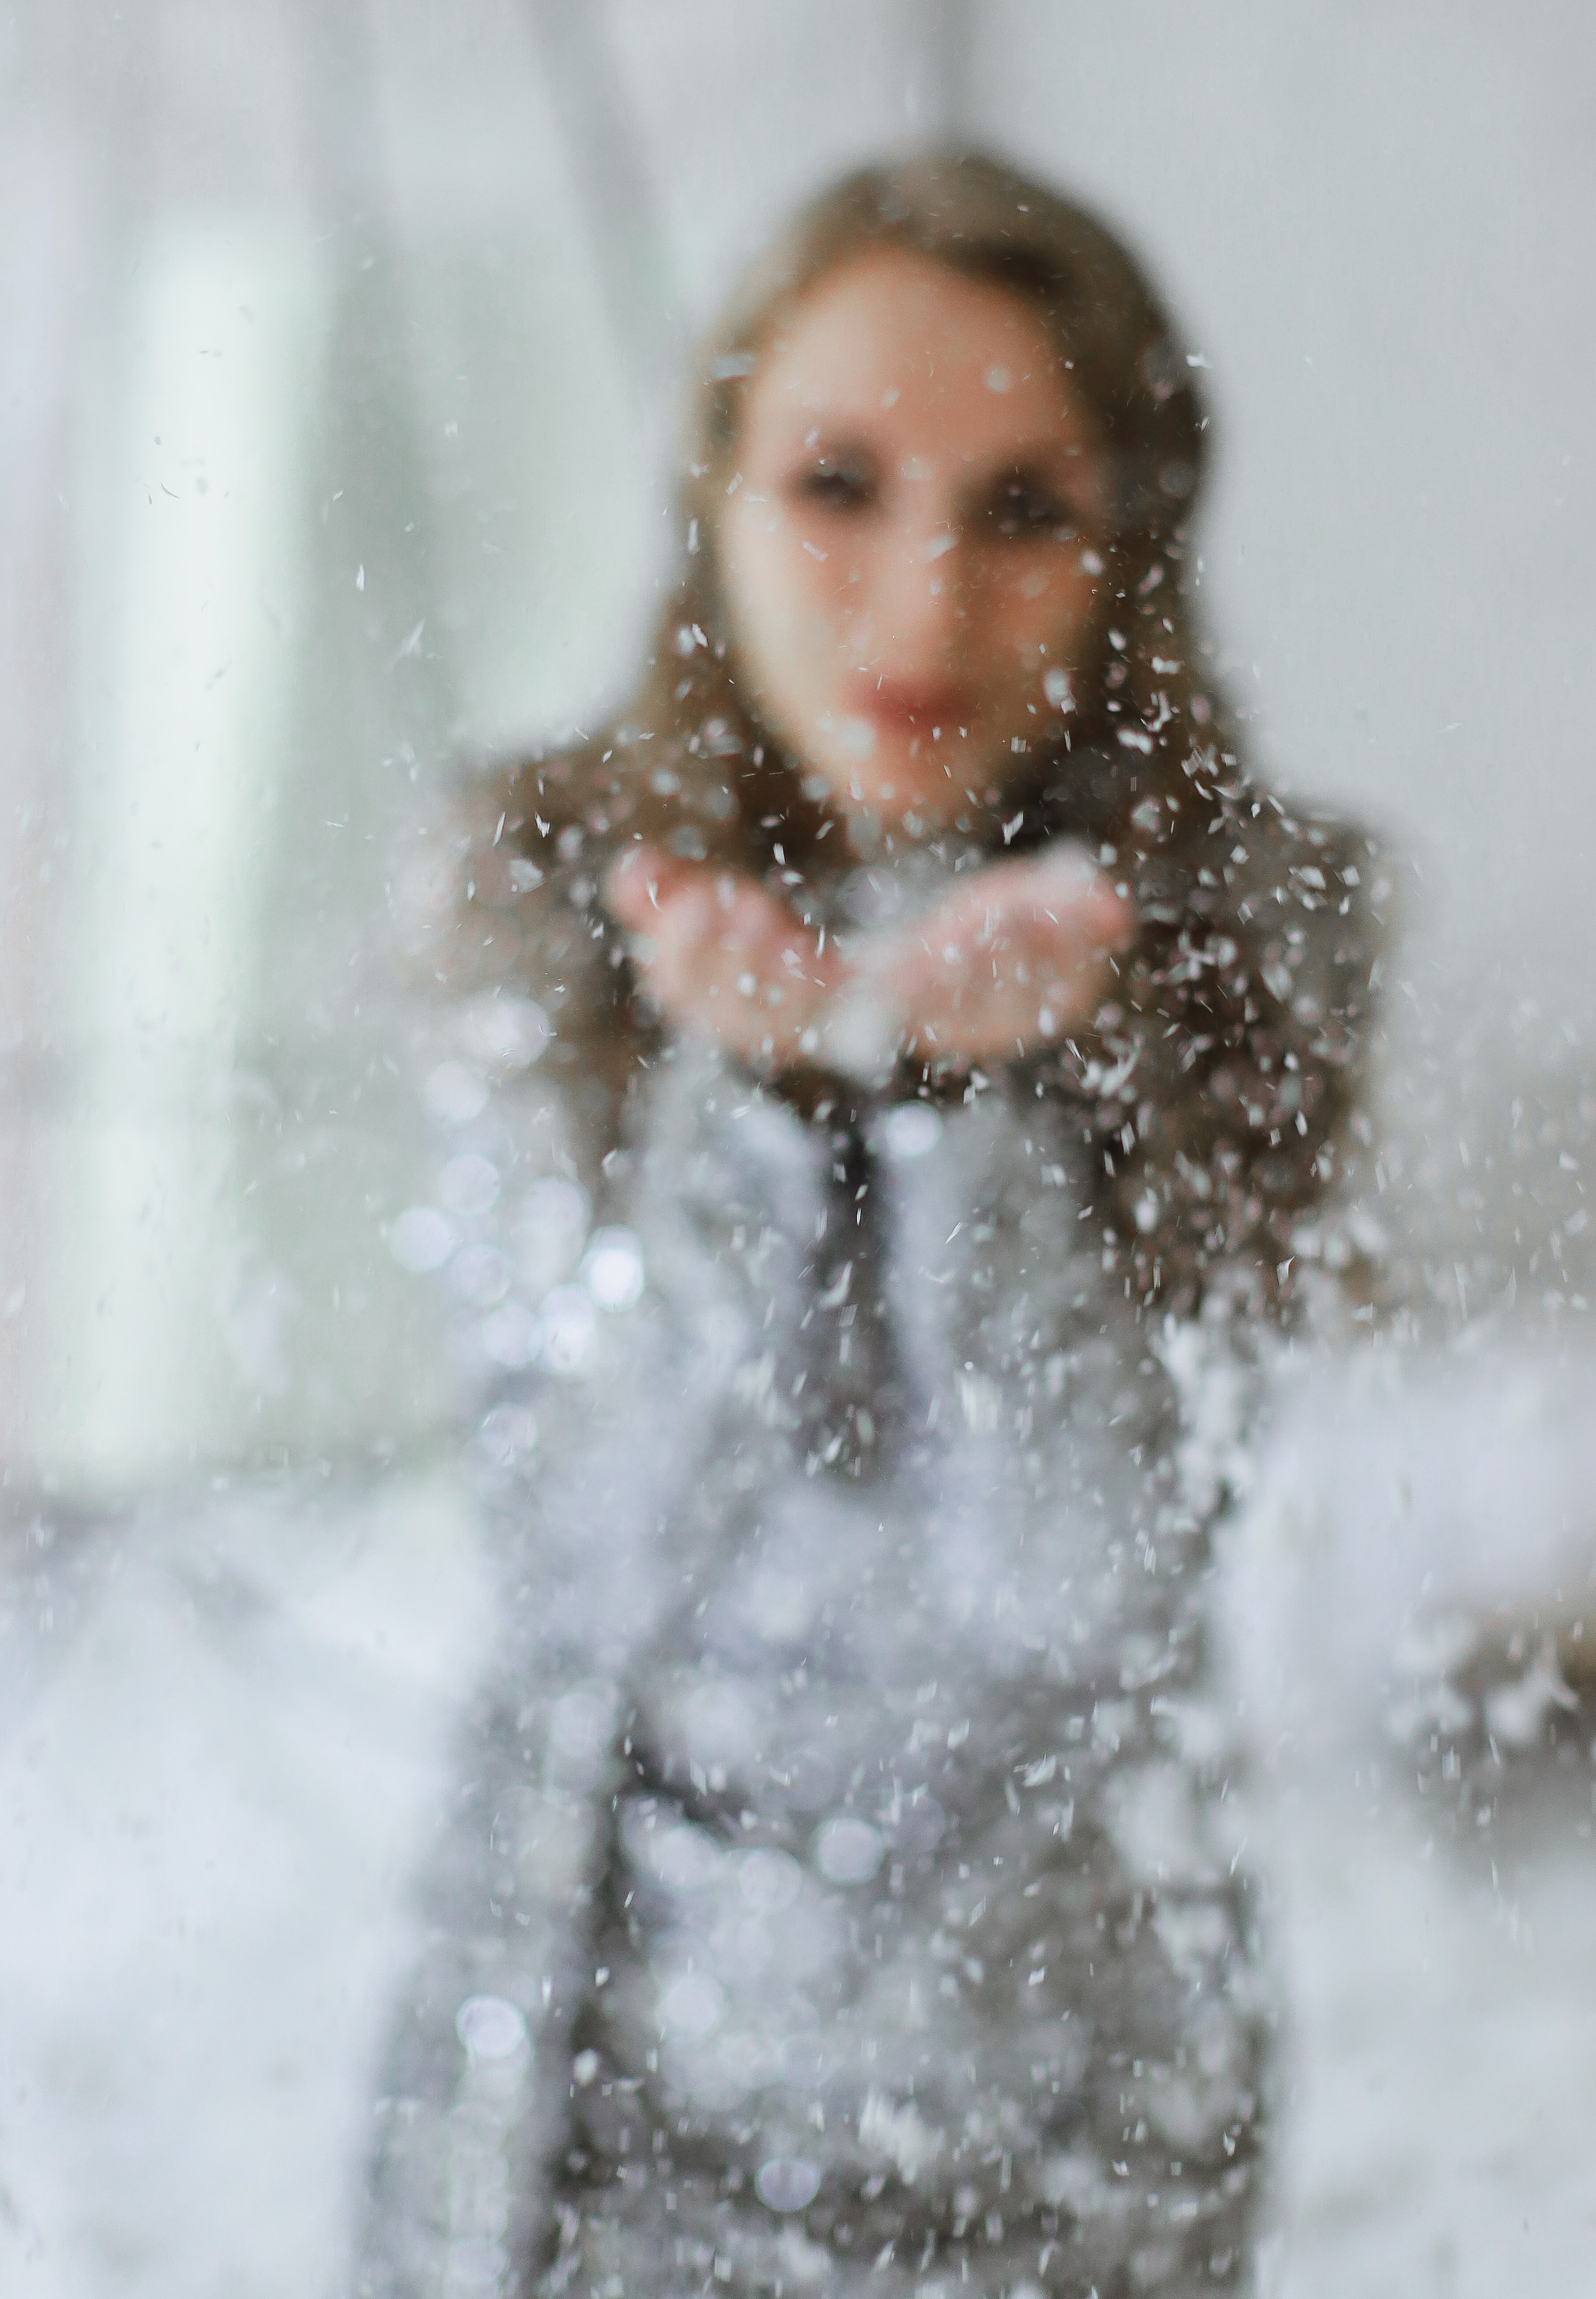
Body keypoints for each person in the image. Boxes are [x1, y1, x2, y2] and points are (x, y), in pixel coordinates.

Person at [357, 150, 1381, 2299]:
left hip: (1065, 2137)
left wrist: (949, 1108)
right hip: (580, 2104)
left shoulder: (1241, 938)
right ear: (712, 484)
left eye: (1025, 511)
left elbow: (1088, 1593)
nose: (924, 607)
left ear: (1134, 557)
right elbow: (581, 1559)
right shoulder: (538, 895)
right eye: (840, 484)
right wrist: (749, 1103)